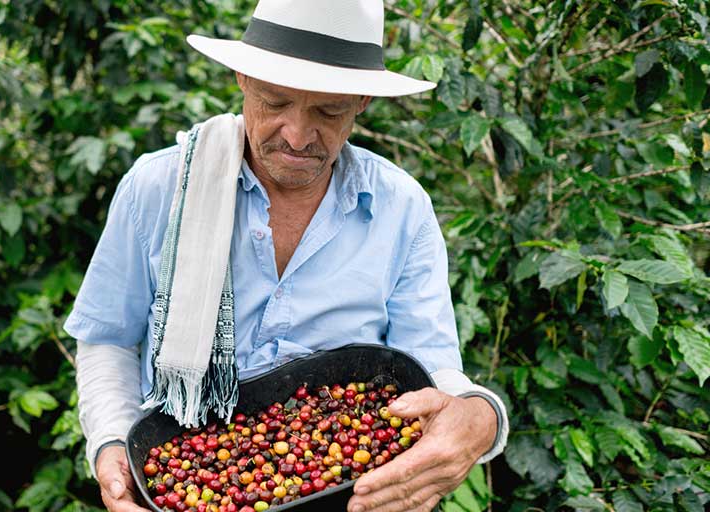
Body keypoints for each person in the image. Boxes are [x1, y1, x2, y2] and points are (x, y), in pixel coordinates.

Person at [65, 1, 509, 511]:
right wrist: (112, 444)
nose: (297, 136)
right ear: (242, 78)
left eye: (328, 111)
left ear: (362, 100)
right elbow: (108, 340)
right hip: (186, 481)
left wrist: (480, 413)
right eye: (275, 103)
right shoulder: (160, 188)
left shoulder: (401, 209)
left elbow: (432, 373)